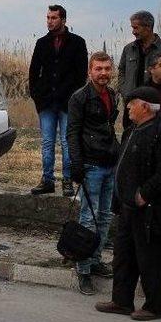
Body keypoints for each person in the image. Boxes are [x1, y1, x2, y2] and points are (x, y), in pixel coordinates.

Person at [95, 87, 161, 321]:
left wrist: (144, 194)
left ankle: (154, 307)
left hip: (150, 210)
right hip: (128, 207)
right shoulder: (133, 129)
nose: (128, 107)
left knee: (150, 259)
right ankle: (121, 301)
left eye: (132, 103)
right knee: (124, 255)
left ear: (145, 106)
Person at [66, 51, 119, 295]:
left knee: (105, 216)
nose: (103, 73)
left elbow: (109, 126)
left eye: (107, 69)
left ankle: (95, 259)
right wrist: (76, 166)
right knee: (88, 218)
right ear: (90, 71)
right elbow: (72, 133)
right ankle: (83, 269)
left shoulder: (113, 95)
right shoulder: (80, 97)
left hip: (110, 163)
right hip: (90, 165)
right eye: (99, 69)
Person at [29, 4, 88, 197]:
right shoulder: (41, 43)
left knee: (67, 142)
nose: (49, 21)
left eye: (53, 18)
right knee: (47, 142)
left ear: (63, 20)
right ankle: (47, 180)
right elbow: (33, 72)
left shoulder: (77, 43)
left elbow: (81, 75)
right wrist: (37, 96)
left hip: (67, 103)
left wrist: (74, 98)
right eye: (47, 18)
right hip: (46, 102)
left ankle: (67, 181)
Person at [118, 11, 161, 128]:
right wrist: (125, 91)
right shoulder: (128, 49)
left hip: (156, 109)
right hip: (132, 106)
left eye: (136, 28)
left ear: (148, 27)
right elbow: (121, 71)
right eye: (132, 28)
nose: (133, 32)